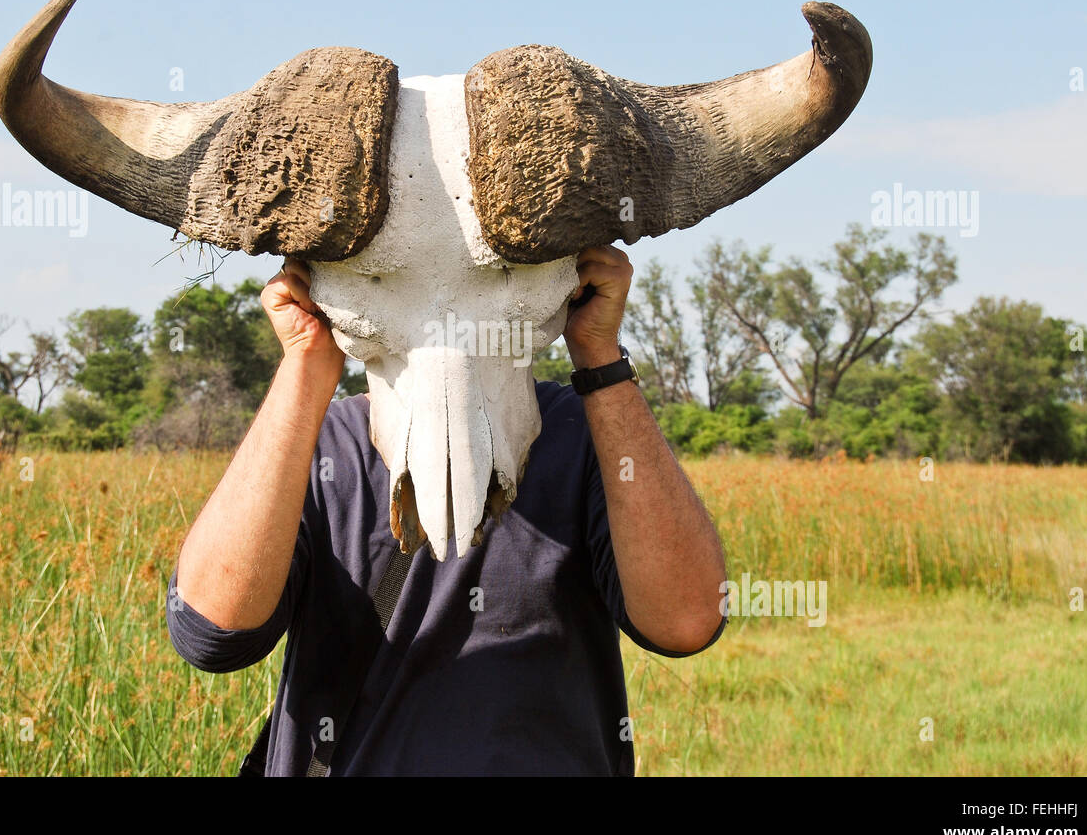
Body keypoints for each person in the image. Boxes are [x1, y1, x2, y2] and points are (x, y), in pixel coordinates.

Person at [166, 244, 727, 775]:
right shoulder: (321, 442)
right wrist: (306, 362)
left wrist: (599, 356)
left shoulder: (586, 434)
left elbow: (684, 622)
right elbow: (214, 633)